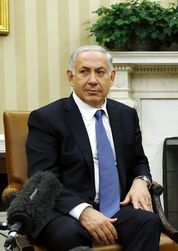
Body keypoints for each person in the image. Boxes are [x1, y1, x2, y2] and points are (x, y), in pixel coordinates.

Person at [26, 45, 161, 250]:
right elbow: (43, 179)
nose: (92, 80)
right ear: (71, 77)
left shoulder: (126, 115)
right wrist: (84, 211)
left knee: (148, 222)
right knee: (68, 234)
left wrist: (141, 181)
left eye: (100, 72)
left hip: (116, 208)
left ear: (112, 76)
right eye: (84, 71)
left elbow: (138, 161)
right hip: (65, 211)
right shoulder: (46, 119)